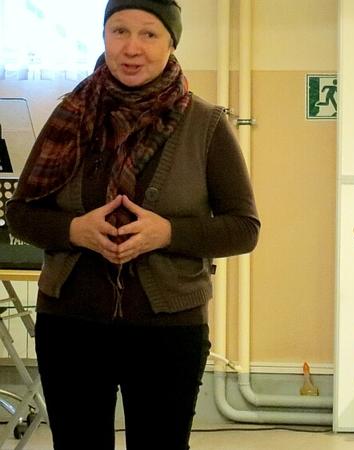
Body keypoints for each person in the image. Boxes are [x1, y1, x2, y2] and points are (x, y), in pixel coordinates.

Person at [6, 1, 260, 448]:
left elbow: (243, 228)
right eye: (119, 31)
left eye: (149, 34)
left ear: (171, 44)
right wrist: (74, 231)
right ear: (104, 37)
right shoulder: (70, 116)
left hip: (169, 330)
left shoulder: (206, 125)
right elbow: (22, 213)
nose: (131, 47)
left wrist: (168, 233)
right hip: (71, 323)